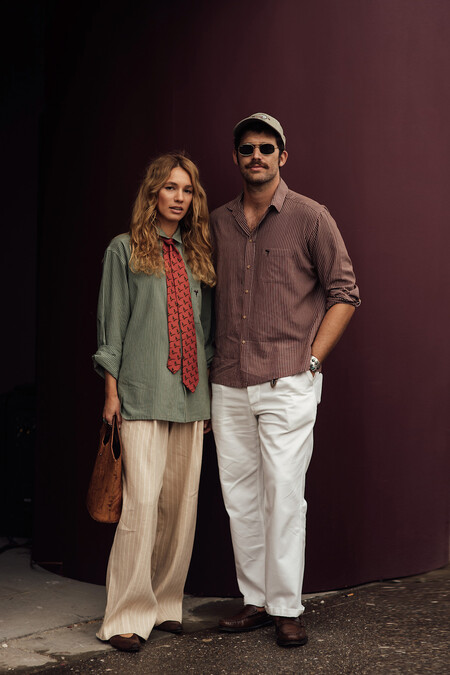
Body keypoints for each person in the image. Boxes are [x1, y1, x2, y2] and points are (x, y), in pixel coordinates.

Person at [210, 113, 360, 648]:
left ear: (282, 156)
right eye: (247, 148)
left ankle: (285, 606)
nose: (257, 156)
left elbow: (345, 293)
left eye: (266, 148)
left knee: (284, 494)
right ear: (236, 157)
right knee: (240, 497)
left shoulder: (311, 217)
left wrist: (312, 362)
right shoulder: (218, 221)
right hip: (228, 381)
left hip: (287, 380)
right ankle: (255, 601)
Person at [92, 152, 215, 652]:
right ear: (153, 193)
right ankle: (125, 614)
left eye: (186, 190)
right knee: (141, 506)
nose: (179, 197)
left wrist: (206, 395)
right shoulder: (123, 249)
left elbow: (207, 331)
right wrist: (111, 392)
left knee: (180, 507)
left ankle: (164, 604)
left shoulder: (198, 254)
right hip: (141, 392)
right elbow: (112, 325)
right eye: (170, 187)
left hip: (190, 396)